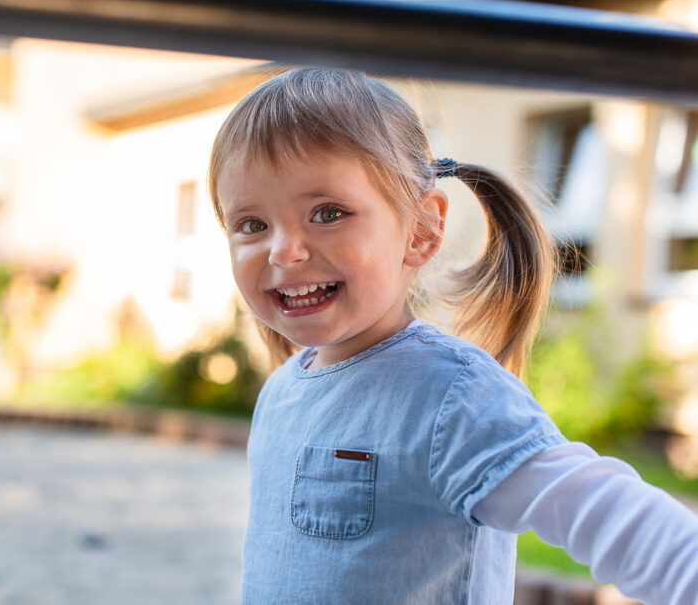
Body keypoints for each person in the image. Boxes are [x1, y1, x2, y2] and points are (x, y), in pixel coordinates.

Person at [207, 67, 698, 604]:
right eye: (252, 224)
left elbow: (608, 514)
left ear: (422, 230)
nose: (283, 251)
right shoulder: (282, 390)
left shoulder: (450, 396)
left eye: (328, 213)